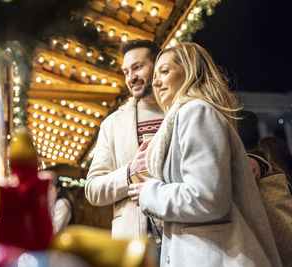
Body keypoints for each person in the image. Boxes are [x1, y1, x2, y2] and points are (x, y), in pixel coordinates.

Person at [128, 42, 282, 266]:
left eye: (165, 71)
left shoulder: (196, 111)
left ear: (190, 72)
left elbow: (206, 198)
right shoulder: (183, 118)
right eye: (155, 75)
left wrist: (149, 193)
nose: (156, 81)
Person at [85, 39, 164, 241]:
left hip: (186, 236)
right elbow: (93, 189)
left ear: (159, 65)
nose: (131, 77)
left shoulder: (183, 111)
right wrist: (129, 173)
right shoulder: (113, 124)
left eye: (137, 68)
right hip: (137, 241)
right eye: (126, 71)